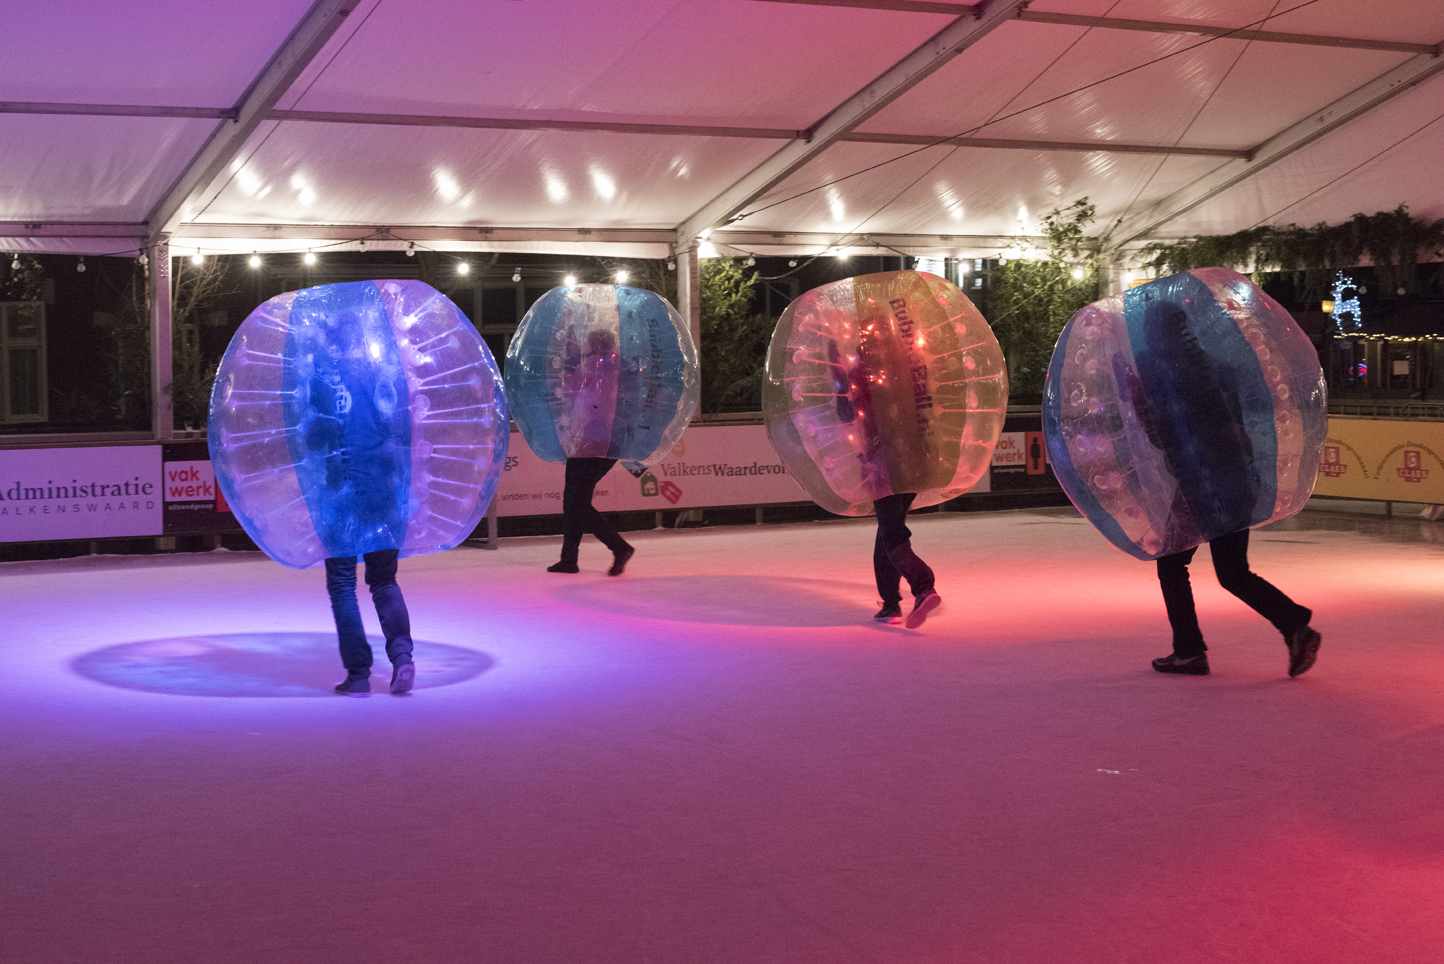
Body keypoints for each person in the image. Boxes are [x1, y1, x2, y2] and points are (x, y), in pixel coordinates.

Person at [1133, 296, 1321, 677]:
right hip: (1235, 478)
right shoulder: (1217, 367)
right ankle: (1293, 623)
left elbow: (1162, 438)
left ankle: (1189, 650)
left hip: (1197, 484)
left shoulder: (1163, 378)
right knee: (1233, 571)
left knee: (1171, 564)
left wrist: (1136, 397)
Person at [328, 550, 415, 695]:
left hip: (340, 528)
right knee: (385, 580)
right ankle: (402, 657)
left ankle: (358, 676)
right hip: (385, 526)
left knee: (342, 584)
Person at [547, 457, 634, 575]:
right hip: (599, 451)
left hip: (588, 451)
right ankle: (569, 559)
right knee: (574, 503)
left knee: (576, 503)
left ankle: (619, 547)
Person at [872, 492, 941, 629]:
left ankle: (923, 588)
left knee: (892, 535)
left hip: (885, 480)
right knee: (888, 531)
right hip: (907, 479)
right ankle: (890, 604)